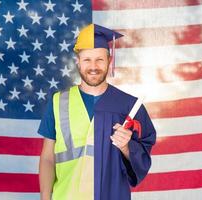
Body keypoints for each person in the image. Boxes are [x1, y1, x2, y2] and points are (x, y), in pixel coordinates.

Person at [38, 23, 156, 200]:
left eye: (100, 59)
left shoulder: (130, 106)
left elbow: (143, 160)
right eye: (87, 60)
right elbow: (48, 157)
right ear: (78, 61)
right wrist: (45, 198)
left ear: (109, 60)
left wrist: (127, 146)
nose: (93, 66)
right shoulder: (58, 102)